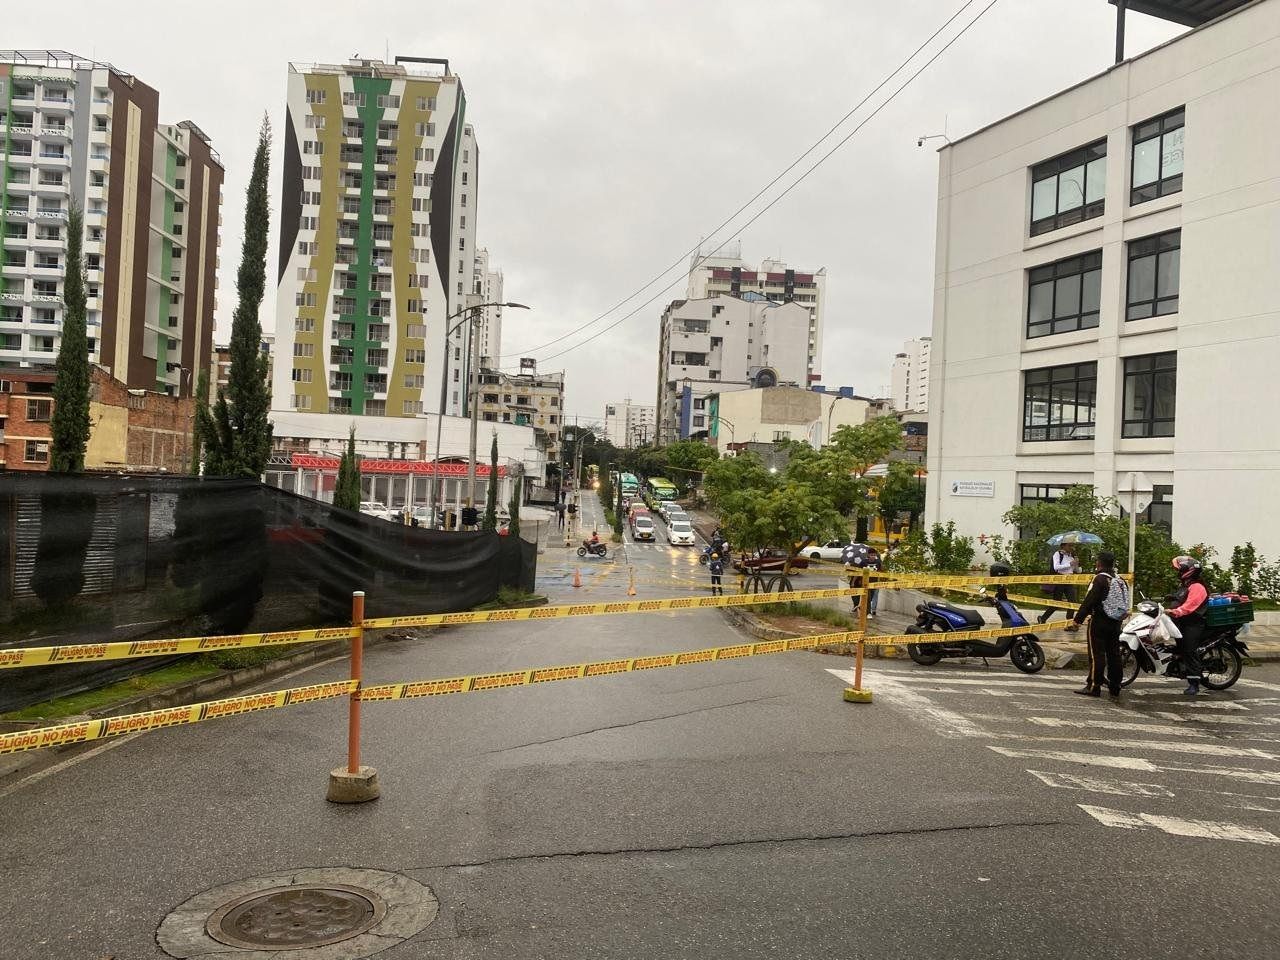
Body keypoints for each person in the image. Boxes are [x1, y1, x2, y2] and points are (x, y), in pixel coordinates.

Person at [1064, 550, 1129, 700]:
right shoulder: (1120, 580)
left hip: (1099, 621)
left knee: (1097, 654)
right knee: (1114, 654)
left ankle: (1094, 686)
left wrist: (1077, 620)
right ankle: (1115, 688)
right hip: (1116, 622)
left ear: (1099, 563)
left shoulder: (1099, 579)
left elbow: (1090, 601)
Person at [1167, 555, 1209, 696]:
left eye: (1179, 570)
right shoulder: (1186, 585)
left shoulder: (1197, 587)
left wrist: (1176, 611)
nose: (1178, 572)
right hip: (1182, 622)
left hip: (1193, 624)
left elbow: (1190, 606)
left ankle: (1194, 684)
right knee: (1179, 647)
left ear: (1188, 571)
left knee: (1189, 649)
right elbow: (1179, 598)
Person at [1038, 543, 1079, 624]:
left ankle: (1069, 623)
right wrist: (1070, 564)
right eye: (1069, 545)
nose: (1072, 547)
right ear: (1063, 546)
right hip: (1059, 580)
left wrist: (1076, 564)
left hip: (1069, 580)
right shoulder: (1058, 554)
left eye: (1072, 546)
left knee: (1072, 602)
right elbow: (1056, 567)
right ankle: (1043, 618)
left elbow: (1076, 571)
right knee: (1057, 602)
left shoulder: (1072, 556)